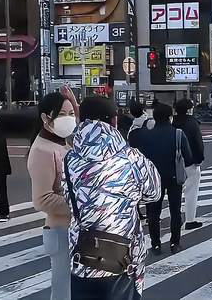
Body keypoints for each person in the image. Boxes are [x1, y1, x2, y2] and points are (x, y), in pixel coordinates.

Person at [65, 97, 161, 299]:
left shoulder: (70, 159)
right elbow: (154, 192)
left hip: (83, 254)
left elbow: (68, 196)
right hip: (122, 256)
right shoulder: (132, 158)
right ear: (114, 122)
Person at [28, 88, 78, 300]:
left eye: (70, 115)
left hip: (71, 228)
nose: (68, 119)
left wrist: (74, 105)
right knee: (62, 289)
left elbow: (81, 135)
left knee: (71, 287)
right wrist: (81, 205)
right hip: (60, 230)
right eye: (62, 114)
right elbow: (42, 199)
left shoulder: (60, 141)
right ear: (45, 118)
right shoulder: (42, 150)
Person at [130, 103, 192, 255]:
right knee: (175, 210)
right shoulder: (178, 134)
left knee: (153, 212)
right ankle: (175, 242)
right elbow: (189, 158)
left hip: (152, 178)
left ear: (154, 118)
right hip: (173, 177)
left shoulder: (145, 135)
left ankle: (156, 244)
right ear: (170, 117)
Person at [172, 99, 205, 230]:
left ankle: (176, 217)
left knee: (176, 191)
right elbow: (198, 143)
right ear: (189, 109)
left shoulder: (173, 122)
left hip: (174, 162)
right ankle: (190, 219)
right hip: (190, 162)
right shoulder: (192, 123)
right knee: (191, 191)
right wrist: (199, 159)